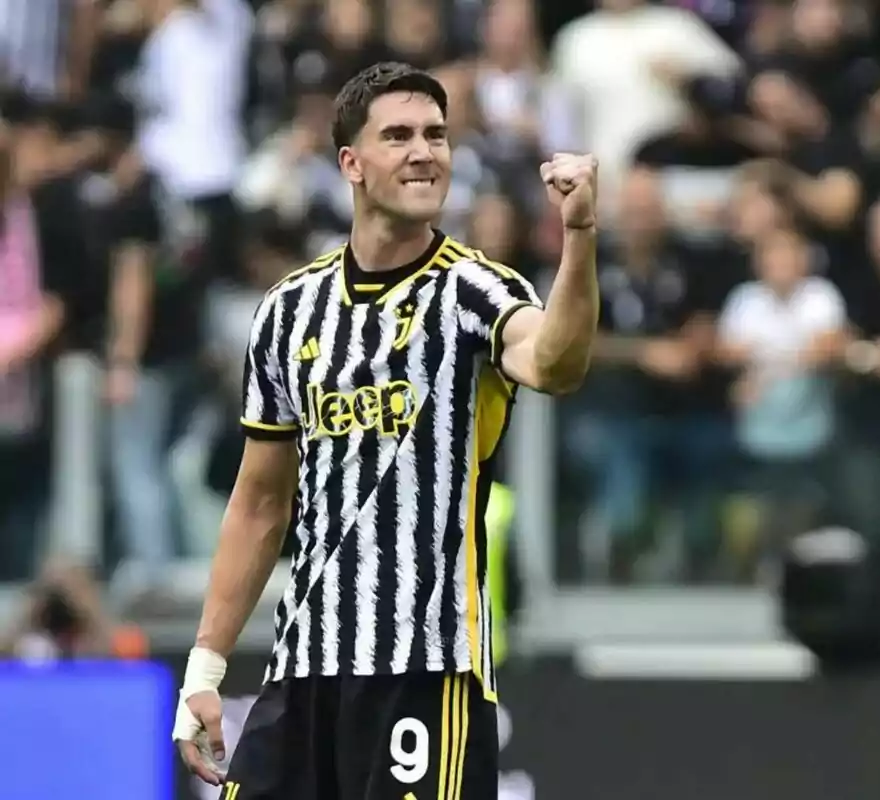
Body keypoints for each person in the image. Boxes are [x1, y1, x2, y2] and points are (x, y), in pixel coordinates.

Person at [171, 62, 600, 800]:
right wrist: (205, 669)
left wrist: (581, 235)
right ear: (351, 163)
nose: (424, 152)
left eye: (436, 135)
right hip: (304, 667)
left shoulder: (476, 290)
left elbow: (555, 363)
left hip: (426, 672)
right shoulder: (287, 311)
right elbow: (260, 504)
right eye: (398, 136)